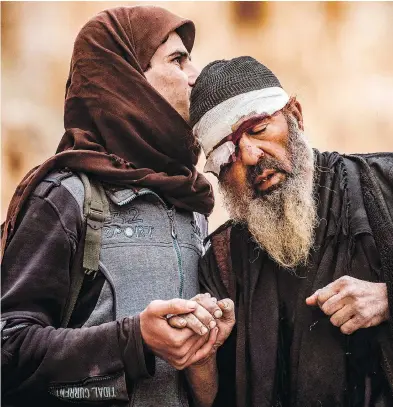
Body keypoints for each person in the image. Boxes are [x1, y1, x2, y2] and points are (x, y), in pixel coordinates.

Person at [1, 6, 235, 407]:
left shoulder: (188, 202)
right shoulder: (64, 197)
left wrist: (205, 347)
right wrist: (133, 339)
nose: (195, 75)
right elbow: (9, 349)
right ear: (126, 81)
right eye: (177, 60)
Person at [185, 56, 393, 406]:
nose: (250, 155)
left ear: (295, 115)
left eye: (259, 129)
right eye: (228, 153)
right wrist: (202, 354)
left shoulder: (385, 184)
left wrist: (388, 299)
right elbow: (210, 398)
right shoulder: (221, 261)